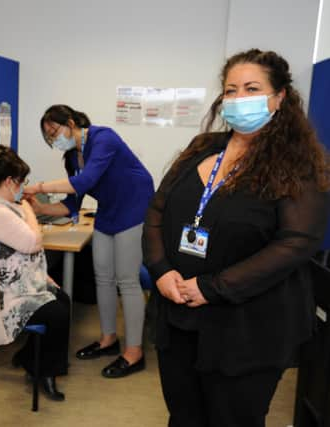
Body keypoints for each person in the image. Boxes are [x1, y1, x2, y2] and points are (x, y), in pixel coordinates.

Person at [142, 49, 330, 427]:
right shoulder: (202, 148)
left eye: (251, 88)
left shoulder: (297, 164)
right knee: (183, 415)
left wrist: (212, 287)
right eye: (231, 90)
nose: (239, 98)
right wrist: (161, 270)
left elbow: (297, 242)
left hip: (248, 328)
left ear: (278, 98)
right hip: (178, 316)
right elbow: (156, 212)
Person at [25, 105, 154, 378]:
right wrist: (40, 208)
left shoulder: (103, 138)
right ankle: (109, 339)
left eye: (54, 131)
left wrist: (39, 187)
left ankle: (134, 352)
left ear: (71, 123)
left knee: (127, 280)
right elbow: (73, 201)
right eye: (48, 137)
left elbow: (87, 180)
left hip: (134, 208)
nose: (53, 139)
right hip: (107, 211)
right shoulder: (73, 157)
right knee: (103, 277)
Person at [0, 145, 70, 401]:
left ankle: (29, 357)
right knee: (58, 312)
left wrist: (41, 277)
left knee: (61, 298)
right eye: (23, 182)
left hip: (7, 286)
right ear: (10, 182)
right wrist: (30, 210)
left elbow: (15, 254)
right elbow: (33, 242)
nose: (24, 187)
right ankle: (43, 372)